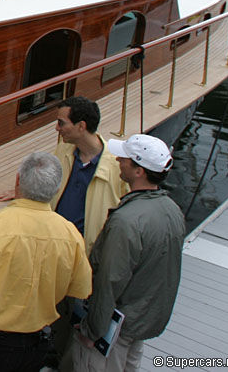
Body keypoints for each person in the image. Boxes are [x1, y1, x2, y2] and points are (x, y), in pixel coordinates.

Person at [0, 152, 92, 372]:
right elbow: (79, 289)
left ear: (18, 180)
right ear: (56, 189)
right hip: (35, 345)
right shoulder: (71, 235)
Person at [66, 134, 184, 372]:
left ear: (139, 171)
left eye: (125, 158)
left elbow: (109, 280)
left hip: (115, 330)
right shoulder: (172, 210)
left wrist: (93, 331)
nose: (118, 159)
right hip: (142, 321)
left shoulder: (125, 221)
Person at [0, 96, 127, 251]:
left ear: (81, 126)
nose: (57, 128)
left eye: (61, 123)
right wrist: (27, 190)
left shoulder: (118, 167)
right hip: (52, 243)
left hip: (86, 253)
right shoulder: (62, 150)